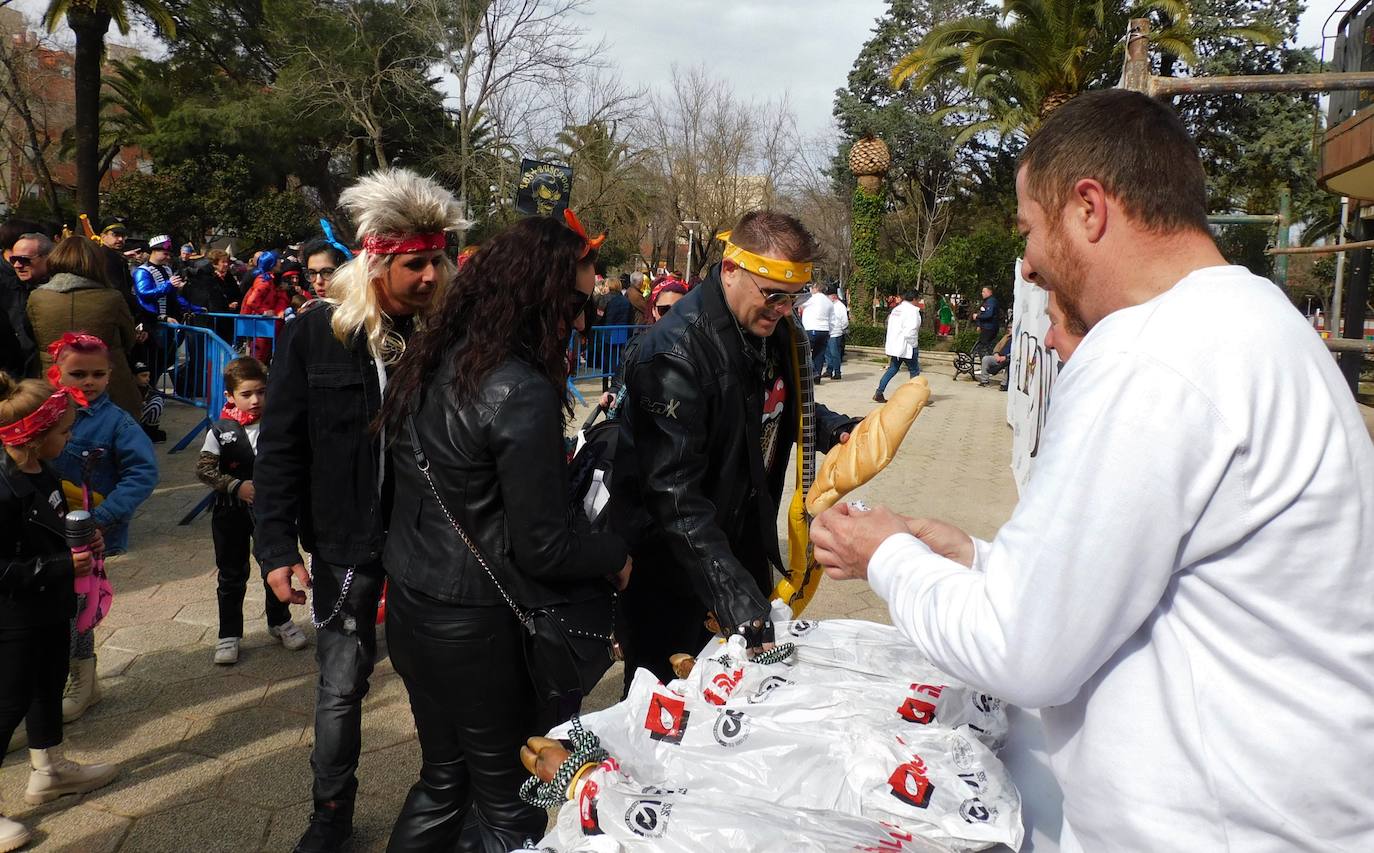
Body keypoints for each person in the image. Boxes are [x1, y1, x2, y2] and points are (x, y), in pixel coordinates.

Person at [810, 89, 1374, 852]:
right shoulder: (1246, 321)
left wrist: (888, 557)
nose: (1030, 260)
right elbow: (1126, 576)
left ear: (1088, 209)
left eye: (1030, 229)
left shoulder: (1156, 354)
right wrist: (975, 557)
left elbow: (1021, 650)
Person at [378, 213, 632, 852]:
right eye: (577, 302)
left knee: (443, 781)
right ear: (540, 295)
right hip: (479, 629)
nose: (582, 320)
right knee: (512, 803)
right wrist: (616, 553)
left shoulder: (433, 360)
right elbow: (543, 544)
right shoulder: (520, 389)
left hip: (413, 605)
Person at [253, 168, 468, 853]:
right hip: (345, 543)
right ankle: (330, 814)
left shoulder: (449, 337)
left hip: (428, 547)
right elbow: (280, 448)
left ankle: (448, 796)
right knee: (341, 686)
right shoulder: (315, 333)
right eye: (416, 264)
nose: (432, 276)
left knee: (437, 681)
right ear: (377, 261)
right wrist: (277, 548)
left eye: (437, 260)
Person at [611, 211, 857, 687]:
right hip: (674, 570)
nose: (784, 310)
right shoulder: (673, 354)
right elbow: (674, 498)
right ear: (729, 269)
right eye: (773, 295)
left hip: (737, 547)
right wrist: (735, 596)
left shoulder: (772, 329)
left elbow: (778, 402)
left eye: (794, 298)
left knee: (742, 703)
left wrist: (834, 429)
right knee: (668, 711)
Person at [0, 372, 118, 851]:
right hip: (13, 618)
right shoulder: (2, 491)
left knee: (47, 684)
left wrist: (86, 538)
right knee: (8, 702)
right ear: (32, 438)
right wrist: (57, 564)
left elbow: (52, 521)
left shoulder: (40, 471)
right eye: (65, 431)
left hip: (49, 606)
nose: (71, 438)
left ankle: (48, 770)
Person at [48, 333, 157, 722]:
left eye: (97, 374)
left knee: (80, 605)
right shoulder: (44, 410)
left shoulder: (117, 422)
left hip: (89, 533)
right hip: (44, 530)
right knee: (57, 607)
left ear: (110, 375)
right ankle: (79, 678)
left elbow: (143, 472)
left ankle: (81, 678)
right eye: (78, 374)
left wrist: (105, 517)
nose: (88, 382)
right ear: (56, 372)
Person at [196, 357, 307, 666]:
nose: (255, 400)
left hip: (271, 512)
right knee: (232, 573)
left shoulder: (278, 424)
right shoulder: (221, 430)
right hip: (230, 512)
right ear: (230, 396)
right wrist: (235, 486)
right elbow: (204, 470)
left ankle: (280, 620)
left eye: (261, 392)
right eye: (246, 394)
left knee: (275, 565)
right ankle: (228, 633)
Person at [26, 237, 142, 420]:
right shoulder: (112, 298)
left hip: (53, 382)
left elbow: (30, 336)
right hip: (108, 385)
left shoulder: (37, 297)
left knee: (58, 438)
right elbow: (129, 339)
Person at [873, 290, 921, 404]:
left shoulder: (897, 309)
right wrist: (914, 345)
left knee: (892, 369)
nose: (918, 301)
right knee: (914, 371)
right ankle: (915, 397)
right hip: (908, 345)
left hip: (896, 346)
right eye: (918, 299)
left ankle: (879, 392)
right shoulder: (913, 311)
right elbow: (911, 330)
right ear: (914, 299)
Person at [242, 251, 288, 364]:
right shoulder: (264, 281)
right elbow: (251, 301)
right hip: (258, 325)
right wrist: (266, 311)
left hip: (260, 325)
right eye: (278, 260)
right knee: (258, 358)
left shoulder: (268, 279)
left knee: (260, 357)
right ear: (272, 263)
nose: (280, 262)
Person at [799, 282, 832, 380]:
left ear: (816, 288)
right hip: (824, 330)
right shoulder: (829, 301)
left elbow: (798, 303)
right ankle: (817, 375)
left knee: (805, 351)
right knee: (819, 354)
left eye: (811, 288)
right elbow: (832, 318)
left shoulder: (811, 298)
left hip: (812, 328)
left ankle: (813, 371)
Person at [822, 287, 848, 380]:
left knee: (835, 354)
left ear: (833, 296)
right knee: (828, 353)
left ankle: (837, 372)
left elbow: (844, 321)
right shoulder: (830, 305)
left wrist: (840, 329)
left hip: (836, 333)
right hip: (828, 332)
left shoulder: (840, 306)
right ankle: (829, 370)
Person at [973, 285, 1000, 350]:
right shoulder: (986, 301)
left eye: (984, 292)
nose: (982, 293)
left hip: (989, 328)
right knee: (982, 345)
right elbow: (983, 312)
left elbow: (988, 314)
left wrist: (977, 316)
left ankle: (986, 358)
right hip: (986, 327)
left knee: (983, 347)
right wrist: (979, 324)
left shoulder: (991, 301)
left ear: (990, 292)